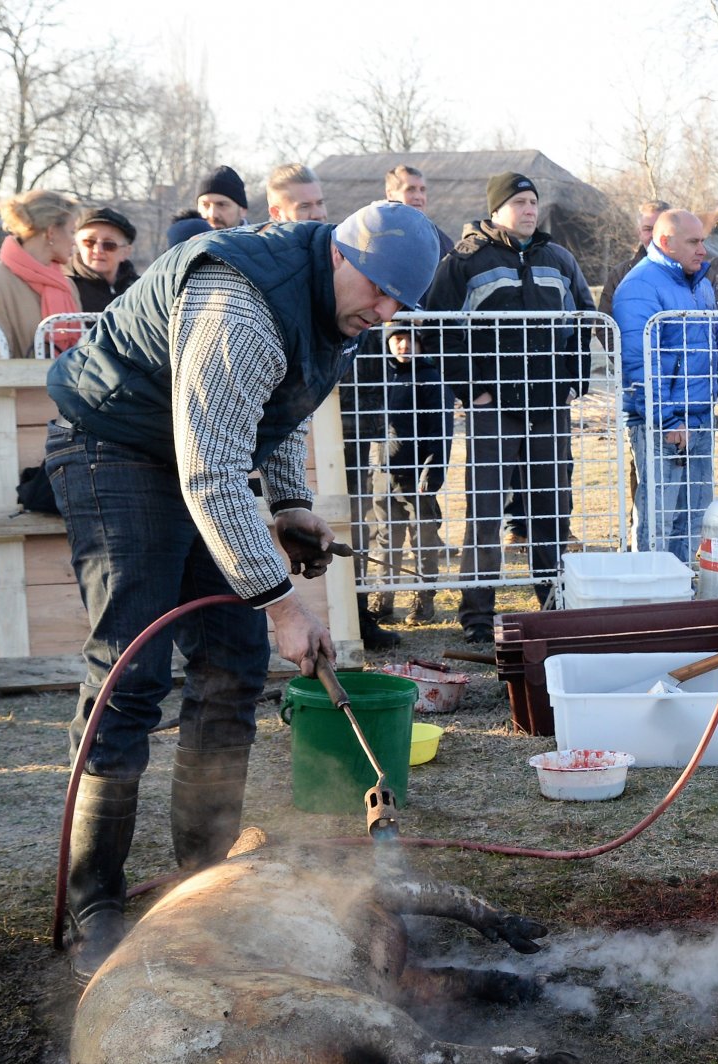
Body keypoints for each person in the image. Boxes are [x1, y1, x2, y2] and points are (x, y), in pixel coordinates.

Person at [43, 200, 439, 980]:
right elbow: (211, 474)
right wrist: (282, 605)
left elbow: (281, 410)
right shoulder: (241, 304)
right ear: (339, 254)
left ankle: (204, 878)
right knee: (134, 667)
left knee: (233, 664)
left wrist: (291, 506)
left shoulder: (338, 314)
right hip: (114, 443)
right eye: (381, 290)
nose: (387, 311)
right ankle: (94, 904)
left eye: (403, 302)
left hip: (193, 456)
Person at [422, 171, 597, 645]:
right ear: (496, 209)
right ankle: (477, 614)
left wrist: (573, 381)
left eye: (533, 202)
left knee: (551, 510)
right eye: (519, 202)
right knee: (484, 514)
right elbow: (435, 328)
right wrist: (470, 389)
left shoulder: (558, 257)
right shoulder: (464, 260)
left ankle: (554, 601)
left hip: (547, 407)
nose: (529, 210)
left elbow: (585, 317)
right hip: (492, 408)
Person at [613, 208, 718, 565]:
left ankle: (682, 587)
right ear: (666, 242)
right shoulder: (639, 286)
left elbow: (716, 344)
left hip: (698, 418)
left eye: (703, 241)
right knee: (659, 515)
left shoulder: (702, 285)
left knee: (695, 511)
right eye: (694, 242)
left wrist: (707, 401)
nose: (703, 250)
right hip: (661, 423)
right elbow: (639, 362)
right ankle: (651, 588)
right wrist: (667, 419)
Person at [351, 322, 451, 624]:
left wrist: (430, 474)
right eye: (396, 340)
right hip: (383, 472)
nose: (403, 346)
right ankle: (384, 602)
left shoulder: (431, 379)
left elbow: (440, 431)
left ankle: (423, 601)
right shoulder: (381, 377)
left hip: (416, 475)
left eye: (408, 339)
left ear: (420, 343)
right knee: (385, 539)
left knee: (423, 537)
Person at [0, 189, 82, 358]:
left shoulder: (67, 284)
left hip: (71, 383)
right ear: (51, 232)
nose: (74, 241)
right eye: (72, 231)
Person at [600, 200, 671, 318]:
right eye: (648, 229)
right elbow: (605, 324)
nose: (654, 235)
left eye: (659, 229)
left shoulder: (694, 272)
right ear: (639, 233)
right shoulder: (621, 274)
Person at [65, 206, 139, 313]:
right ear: (76, 244)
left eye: (109, 245)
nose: (98, 250)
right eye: (89, 242)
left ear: (126, 252)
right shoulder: (64, 286)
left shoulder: (139, 289)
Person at [385, 164, 455, 257]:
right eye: (410, 189)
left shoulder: (440, 240)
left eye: (422, 190)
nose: (419, 197)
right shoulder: (378, 235)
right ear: (390, 194)